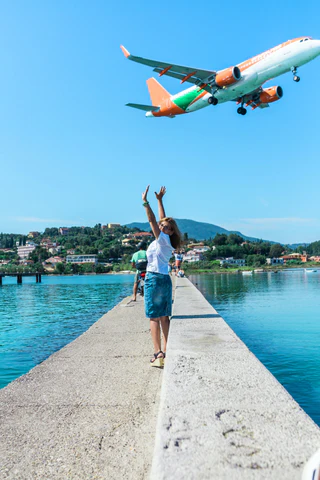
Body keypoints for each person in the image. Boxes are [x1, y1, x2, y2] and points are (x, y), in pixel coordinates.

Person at [142, 185, 182, 367]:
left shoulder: (162, 239)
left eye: (166, 227)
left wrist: (146, 202)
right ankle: (166, 352)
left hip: (154, 279)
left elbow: (152, 220)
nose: (162, 227)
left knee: (154, 317)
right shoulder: (167, 242)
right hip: (164, 279)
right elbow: (160, 220)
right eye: (162, 226)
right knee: (164, 316)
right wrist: (160, 200)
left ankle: (158, 353)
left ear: (171, 231)